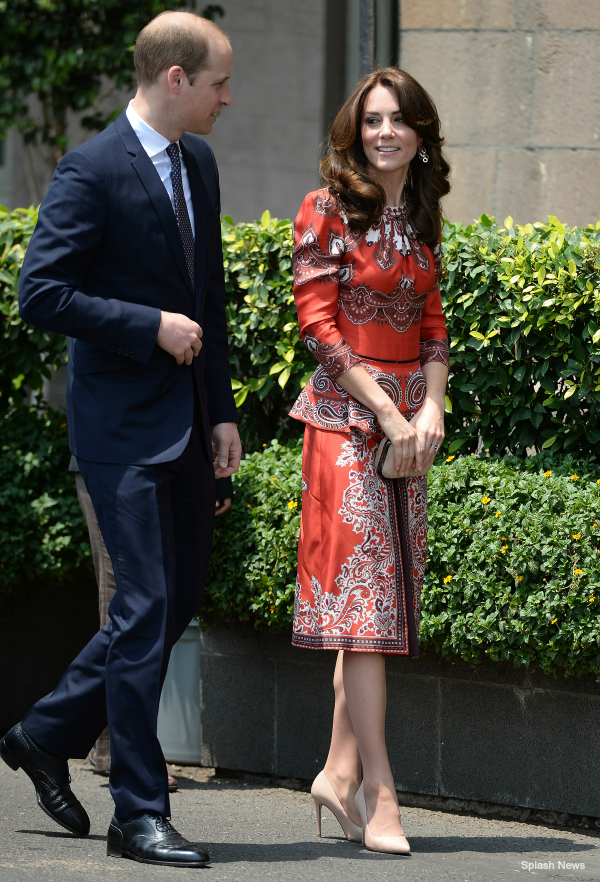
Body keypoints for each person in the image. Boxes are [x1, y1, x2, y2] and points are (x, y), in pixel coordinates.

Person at [0, 11, 241, 869]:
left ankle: (45, 729)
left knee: (172, 604)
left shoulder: (199, 164)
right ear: (174, 78)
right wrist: (148, 327)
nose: (226, 98)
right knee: (140, 609)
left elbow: (205, 300)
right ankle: (138, 812)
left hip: (184, 426)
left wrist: (220, 411)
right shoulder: (91, 169)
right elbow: (41, 293)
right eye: (218, 82)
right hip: (119, 433)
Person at [289, 68, 450, 855]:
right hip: (346, 426)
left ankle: (335, 773)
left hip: (408, 436)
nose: (385, 132)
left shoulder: (420, 212)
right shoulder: (324, 211)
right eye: (373, 120)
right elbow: (318, 329)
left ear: (420, 133)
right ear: (356, 129)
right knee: (368, 614)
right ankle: (383, 794)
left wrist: (431, 404)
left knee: (380, 610)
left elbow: (433, 327)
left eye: (400, 121)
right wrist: (386, 409)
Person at [71, 452, 232, 788]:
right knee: (128, 598)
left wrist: (217, 472)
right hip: (113, 458)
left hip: (176, 467)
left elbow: (202, 402)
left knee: (162, 605)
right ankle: (115, 747)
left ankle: (68, 735)